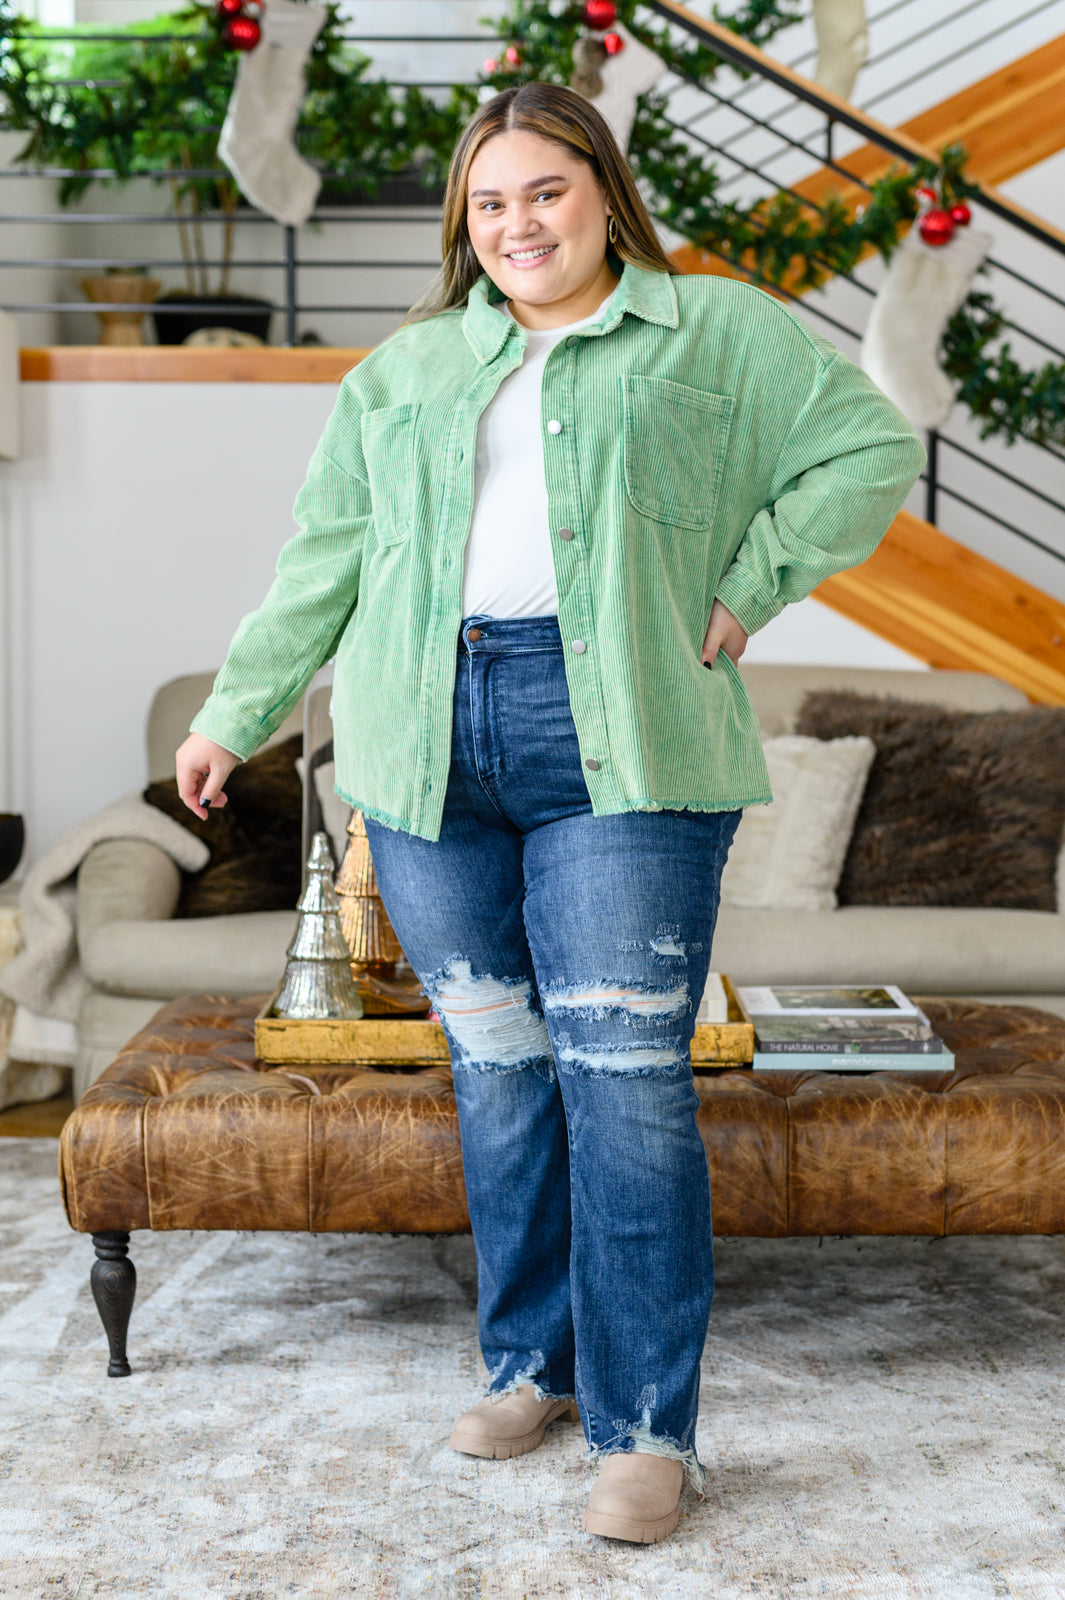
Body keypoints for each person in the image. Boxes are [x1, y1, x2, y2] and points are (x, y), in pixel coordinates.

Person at [176, 81, 925, 1544]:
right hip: (422, 740)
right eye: (491, 201)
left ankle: (646, 1432)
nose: (518, 224)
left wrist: (747, 586)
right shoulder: (404, 371)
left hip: (620, 743)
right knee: (500, 1073)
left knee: (626, 1078)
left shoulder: (711, 331)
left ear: (602, 196)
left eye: (547, 192)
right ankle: (533, 1368)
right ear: (466, 222)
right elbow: (325, 559)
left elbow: (869, 448)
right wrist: (230, 714)